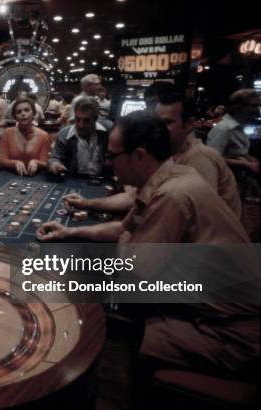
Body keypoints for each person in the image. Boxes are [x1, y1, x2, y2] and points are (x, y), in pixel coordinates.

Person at [37, 110, 257, 375]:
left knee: (97, 321)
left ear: (139, 155)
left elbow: (135, 275)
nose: (109, 164)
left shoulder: (174, 194)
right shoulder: (172, 175)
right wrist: (68, 233)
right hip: (211, 310)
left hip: (231, 332)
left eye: (112, 156)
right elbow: (123, 228)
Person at [61, 92, 243, 218]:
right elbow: (135, 198)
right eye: (157, 121)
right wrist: (88, 204)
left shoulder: (199, 158)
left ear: (189, 124)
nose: (158, 128)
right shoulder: (167, 154)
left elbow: (183, 231)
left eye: (167, 122)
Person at [207, 89, 260, 198]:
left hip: (239, 183)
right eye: (253, 106)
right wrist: (244, 164)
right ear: (237, 107)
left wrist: (248, 158)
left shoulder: (238, 127)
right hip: (226, 186)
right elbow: (212, 159)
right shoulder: (223, 128)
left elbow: (235, 152)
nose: (257, 110)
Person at [48, 97, 109, 176]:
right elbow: (54, 157)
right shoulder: (64, 134)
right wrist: (54, 164)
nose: (81, 125)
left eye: (86, 120)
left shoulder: (106, 132)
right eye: (77, 119)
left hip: (100, 180)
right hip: (73, 180)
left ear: (95, 118)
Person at [0, 97, 51, 176]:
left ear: (33, 113)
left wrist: (36, 162)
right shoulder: (7, 133)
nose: (23, 114)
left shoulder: (44, 136)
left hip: (35, 177)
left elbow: (44, 162)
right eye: (18, 112)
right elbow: (3, 160)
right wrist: (15, 163)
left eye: (27, 110)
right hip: (12, 175)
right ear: (15, 116)